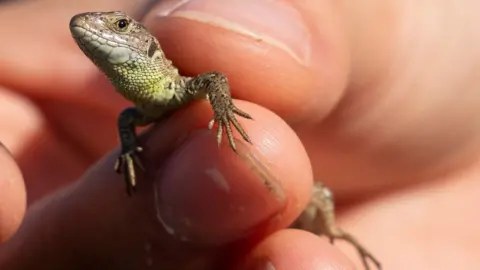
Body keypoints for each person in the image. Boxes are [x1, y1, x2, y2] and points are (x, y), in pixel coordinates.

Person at [0, 0, 479, 269]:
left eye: (121, 25)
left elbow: (213, 79)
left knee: (318, 200)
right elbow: (129, 121)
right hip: (247, 196)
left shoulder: (173, 81)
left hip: (298, 172)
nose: (99, 30)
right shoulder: (139, 107)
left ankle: (333, 232)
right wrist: (128, 150)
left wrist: (224, 114)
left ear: (145, 42)